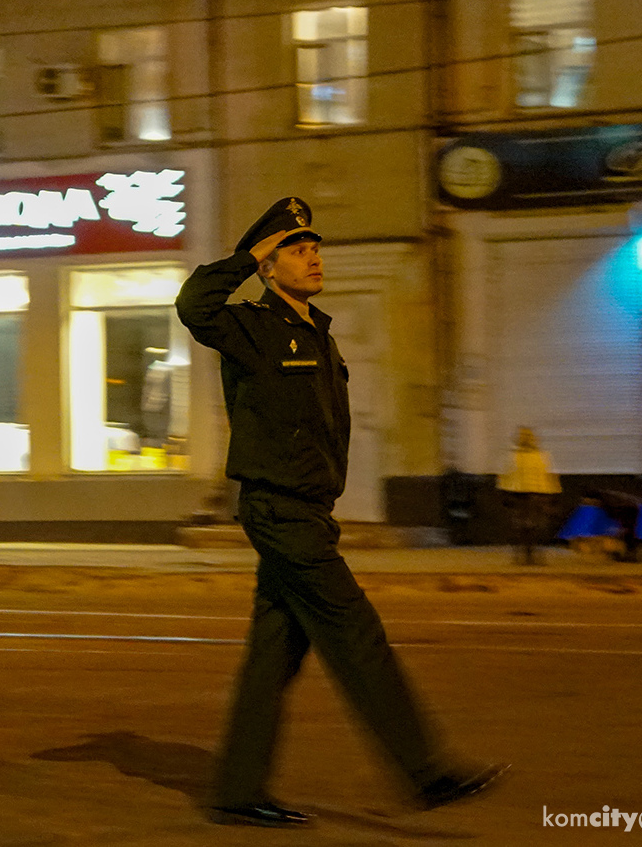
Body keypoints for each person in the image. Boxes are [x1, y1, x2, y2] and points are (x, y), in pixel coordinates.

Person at [176, 197, 507, 828]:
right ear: (268, 266)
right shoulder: (250, 326)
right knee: (357, 635)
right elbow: (194, 306)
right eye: (296, 250)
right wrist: (249, 255)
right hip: (280, 512)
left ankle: (236, 789)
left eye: (313, 247)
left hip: (308, 512)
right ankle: (425, 771)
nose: (312, 257)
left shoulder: (316, 335)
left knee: (273, 654)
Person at [497, 427, 562, 565]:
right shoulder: (539, 456)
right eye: (524, 437)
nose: (526, 439)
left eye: (527, 437)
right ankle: (526, 555)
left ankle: (528, 555)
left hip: (528, 495)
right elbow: (549, 476)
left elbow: (505, 475)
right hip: (526, 495)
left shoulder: (535, 456)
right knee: (526, 527)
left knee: (529, 527)